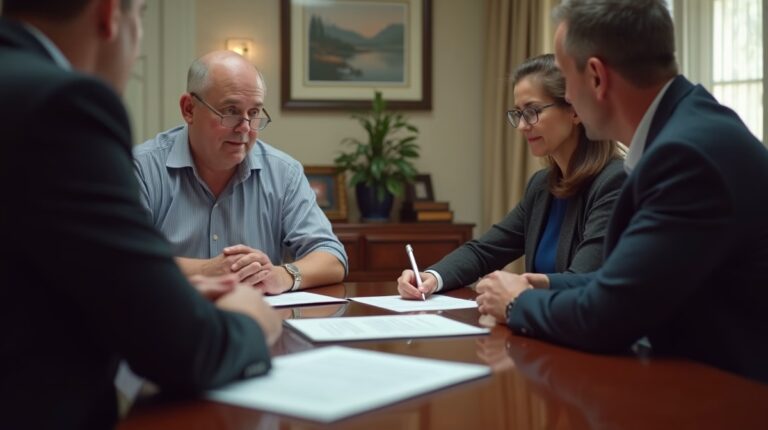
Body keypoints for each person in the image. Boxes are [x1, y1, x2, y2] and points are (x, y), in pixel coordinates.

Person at [0, 0, 282, 427]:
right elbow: (180, 350)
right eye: (141, 18)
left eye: (253, 113)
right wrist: (249, 317)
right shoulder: (62, 105)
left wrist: (161, 297)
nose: (244, 126)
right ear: (111, 14)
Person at [475, 0, 768, 384]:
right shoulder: (687, 128)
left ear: (596, 77)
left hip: (727, 399)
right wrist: (542, 283)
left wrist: (516, 303)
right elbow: (628, 280)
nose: (569, 99)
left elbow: (608, 317)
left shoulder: (686, 157)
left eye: (566, 77)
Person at [398, 54, 626, 299]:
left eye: (533, 111)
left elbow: (584, 281)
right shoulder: (542, 185)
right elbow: (485, 250)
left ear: (575, 111)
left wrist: (517, 290)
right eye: (518, 113)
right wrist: (432, 277)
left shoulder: (614, 182)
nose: (522, 126)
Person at [133, 50, 348, 295]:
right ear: (189, 109)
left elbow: (332, 257)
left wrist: (282, 275)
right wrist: (206, 270)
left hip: (257, 325)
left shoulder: (283, 173)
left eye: (254, 113)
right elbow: (116, 260)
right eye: (231, 111)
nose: (244, 128)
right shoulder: (141, 169)